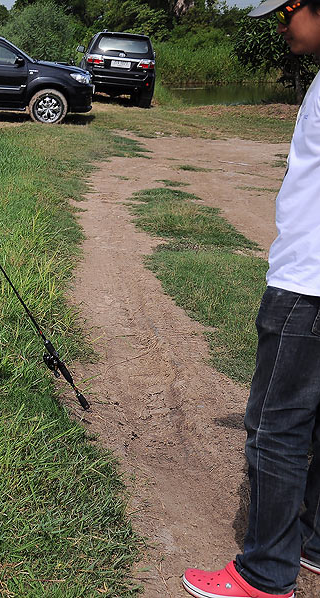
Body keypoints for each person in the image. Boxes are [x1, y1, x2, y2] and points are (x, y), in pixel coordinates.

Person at [182, 1, 320, 597]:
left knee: (278, 427)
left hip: (307, 286)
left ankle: (266, 573)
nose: (281, 20)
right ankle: (309, 540)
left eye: (289, 6)